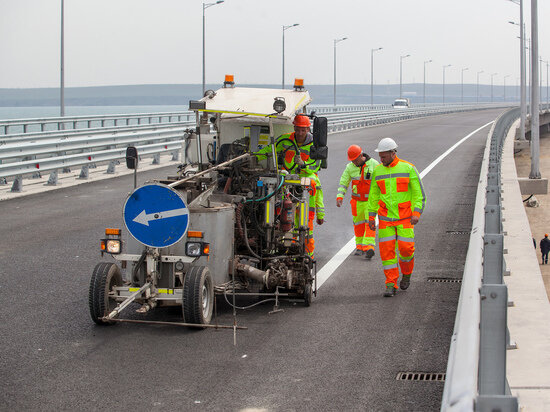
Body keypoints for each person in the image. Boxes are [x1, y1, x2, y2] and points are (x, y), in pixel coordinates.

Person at [257, 114, 325, 256]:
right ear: (294, 127)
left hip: (305, 180)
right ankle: (284, 250)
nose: (300, 133)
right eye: (298, 129)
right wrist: (254, 156)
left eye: (303, 130)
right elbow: (270, 150)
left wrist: (304, 165)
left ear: (308, 129)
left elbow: (316, 166)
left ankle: (306, 255)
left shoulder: (315, 144)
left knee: (305, 225)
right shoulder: (285, 140)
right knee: (283, 216)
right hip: (287, 179)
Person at [367, 137, 426, 297]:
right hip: (385, 221)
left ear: (393, 153)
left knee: (406, 250)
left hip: (406, 219)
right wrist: (371, 217)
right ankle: (390, 284)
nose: (381, 159)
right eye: (380, 156)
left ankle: (406, 274)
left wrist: (416, 213)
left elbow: (418, 194)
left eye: (384, 156)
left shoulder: (408, 168)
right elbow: (373, 195)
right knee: (387, 254)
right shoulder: (378, 171)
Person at [336, 145, 379, 259]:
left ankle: (369, 247)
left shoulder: (374, 164)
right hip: (356, 202)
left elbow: (381, 182)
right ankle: (359, 247)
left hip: (370, 202)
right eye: (352, 160)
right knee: (358, 225)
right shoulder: (350, 167)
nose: (354, 162)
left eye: (355, 159)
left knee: (369, 223)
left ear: (361, 155)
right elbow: (344, 182)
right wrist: (340, 196)